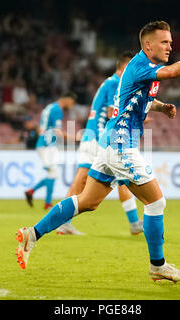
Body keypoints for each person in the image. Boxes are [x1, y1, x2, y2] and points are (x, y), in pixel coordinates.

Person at [16, 21, 180, 282]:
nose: (170, 46)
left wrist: (161, 107)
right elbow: (173, 72)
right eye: (165, 42)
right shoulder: (140, 65)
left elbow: (139, 100)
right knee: (156, 202)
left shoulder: (143, 69)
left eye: (171, 42)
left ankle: (32, 234)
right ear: (148, 44)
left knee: (87, 201)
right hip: (120, 145)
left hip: (109, 144)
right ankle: (158, 265)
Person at [56, 52, 144, 236]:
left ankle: (135, 223)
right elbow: (114, 109)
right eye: (132, 67)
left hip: (98, 136)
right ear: (123, 67)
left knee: (121, 177)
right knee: (84, 180)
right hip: (97, 137)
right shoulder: (115, 83)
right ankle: (63, 221)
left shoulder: (111, 83)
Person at [24, 92, 78, 212]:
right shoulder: (57, 110)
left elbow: (42, 127)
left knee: (52, 174)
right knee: (53, 174)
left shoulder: (49, 107)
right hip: (46, 146)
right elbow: (57, 131)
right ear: (67, 99)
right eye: (72, 102)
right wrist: (73, 138)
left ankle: (32, 192)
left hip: (44, 144)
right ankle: (47, 202)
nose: (71, 105)